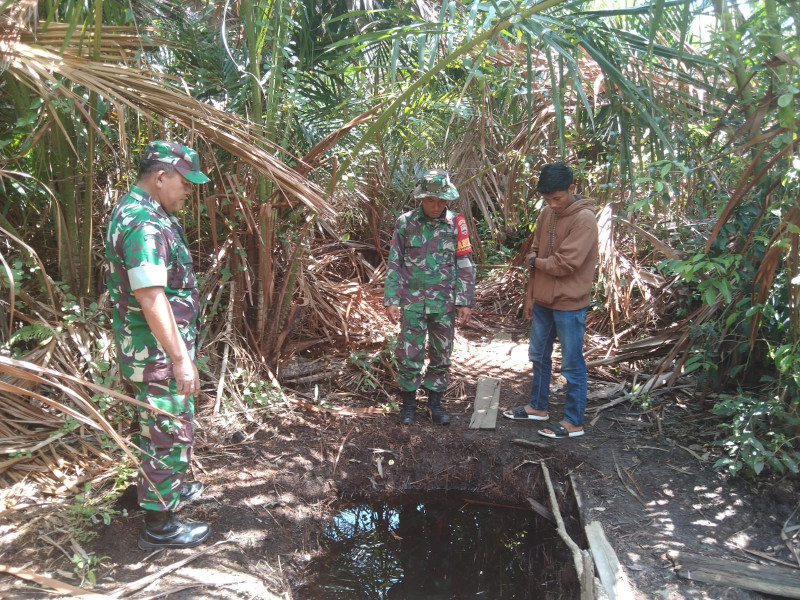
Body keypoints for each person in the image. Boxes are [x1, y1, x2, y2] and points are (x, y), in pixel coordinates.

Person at [105, 140, 211, 549]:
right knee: (168, 430)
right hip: (157, 353)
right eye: (184, 181)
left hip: (148, 350)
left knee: (154, 426)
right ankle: (160, 525)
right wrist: (180, 359)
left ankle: (164, 490)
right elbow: (151, 297)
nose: (188, 190)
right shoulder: (144, 223)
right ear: (161, 176)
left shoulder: (142, 210)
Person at [502, 162, 598, 438]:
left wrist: (536, 261)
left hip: (570, 304)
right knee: (538, 356)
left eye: (557, 198)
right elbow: (534, 254)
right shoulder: (546, 213)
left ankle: (573, 421)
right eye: (547, 199)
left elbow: (565, 264)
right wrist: (530, 296)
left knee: (571, 363)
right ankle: (538, 407)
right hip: (543, 302)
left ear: (572, 188)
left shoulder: (585, 219)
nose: (552, 204)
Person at [384, 169, 475, 425]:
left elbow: (464, 261)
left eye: (441, 201)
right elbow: (395, 262)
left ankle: (435, 404)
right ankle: (409, 405)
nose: (436, 206)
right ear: (421, 199)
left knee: (441, 353)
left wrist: (465, 300)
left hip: (444, 303)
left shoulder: (456, 223)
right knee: (409, 353)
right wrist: (391, 299)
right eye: (430, 201)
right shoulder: (405, 222)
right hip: (412, 302)